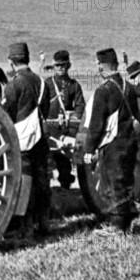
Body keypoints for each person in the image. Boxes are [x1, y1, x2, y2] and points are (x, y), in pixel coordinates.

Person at [83, 48, 139, 233]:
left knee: (111, 184)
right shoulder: (129, 88)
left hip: (112, 144)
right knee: (126, 181)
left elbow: (96, 125)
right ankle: (127, 224)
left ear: (101, 66)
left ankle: (117, 227)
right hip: (130, 142)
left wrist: (89, 150)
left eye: (98, 64)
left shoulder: (103, 91)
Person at [3, 42, 52, 238]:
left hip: (22, 139)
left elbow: (7, 114)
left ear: (11, 62)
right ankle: (44, 223)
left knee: (25, 181)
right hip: (41, 137)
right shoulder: (42, 83)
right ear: (27, 59)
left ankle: (26, 227)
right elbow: (46, 110)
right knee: (42, 180)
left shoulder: (13, 85)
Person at [45, 50, 85, 190]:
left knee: (64, 164)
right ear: (53, 66)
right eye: (57, 65)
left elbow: (80, 106)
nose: (60, 68)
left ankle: (65, 186)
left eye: (63, 65)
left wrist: (73, 118)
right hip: (50, 130)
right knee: (47, 161)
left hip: (66, 130)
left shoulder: (74, 86)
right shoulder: (47, 84)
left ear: (69, 65)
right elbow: (41, 105)